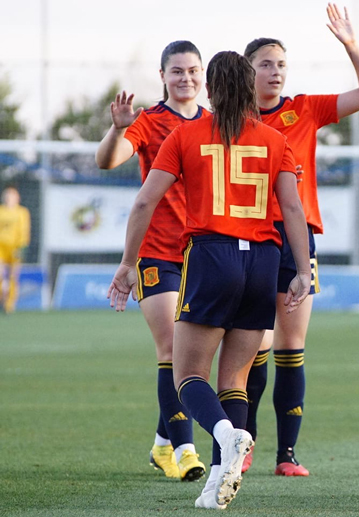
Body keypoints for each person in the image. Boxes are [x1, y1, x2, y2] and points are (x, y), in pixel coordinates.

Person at [108, 50, 311, 510]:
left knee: (187, 375)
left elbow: (145, 202)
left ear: (212, 90)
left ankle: (225, 435)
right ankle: (218, 482)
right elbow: (292, 209)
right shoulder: (275, 139)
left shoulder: (185, 134)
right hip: (264, 260)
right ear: (249, 87)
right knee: (234, 381)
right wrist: (302, 270)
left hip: (212, 256)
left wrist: (126, 263)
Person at [241, 2, 359, 477]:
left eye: (281, 64)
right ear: (247, 70)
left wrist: (351, 45)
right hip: (248, 237)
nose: (276, 72)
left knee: (291, 345)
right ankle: (244, 444)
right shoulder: (232, 118)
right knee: (253, 344)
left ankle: (287, 454)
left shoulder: (303, 108)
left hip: (296, 239)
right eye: (266, 64)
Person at [95, 40, 207, 482]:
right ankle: (185, 451)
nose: (185, 78)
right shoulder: (149, 121)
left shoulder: (215, 124)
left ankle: (162, 442)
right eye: (177, 71)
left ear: (203, 75)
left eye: (193, 70)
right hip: (157, 252)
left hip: (204, 255)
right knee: (173, 348)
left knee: (195, 356)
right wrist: (117, 129)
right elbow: (107, 160)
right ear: (163, 76)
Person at [0, 186, 30, 314]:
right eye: (8, 196)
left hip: (15, 247)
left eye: (13, 196)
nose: (10, 199)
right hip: (1, 246)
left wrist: (22, 246)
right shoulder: (1, 211)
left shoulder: (22, 212)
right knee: (1, 274)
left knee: (13, 276)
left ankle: (9, 303)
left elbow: (24, 230)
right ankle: (2, 298)